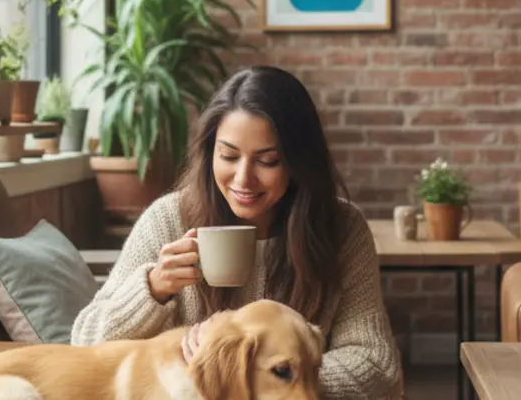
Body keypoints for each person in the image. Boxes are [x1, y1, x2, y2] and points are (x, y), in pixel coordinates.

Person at [71, 66, 402, 400]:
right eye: (228, 155)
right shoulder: (168, 219)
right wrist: (153, 289)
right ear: (210, 151)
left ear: (299, 162)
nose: (243, 179)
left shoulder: (341, 228)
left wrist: (277, 376)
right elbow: (84, 343)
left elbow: (378, 365)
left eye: (267, 161)